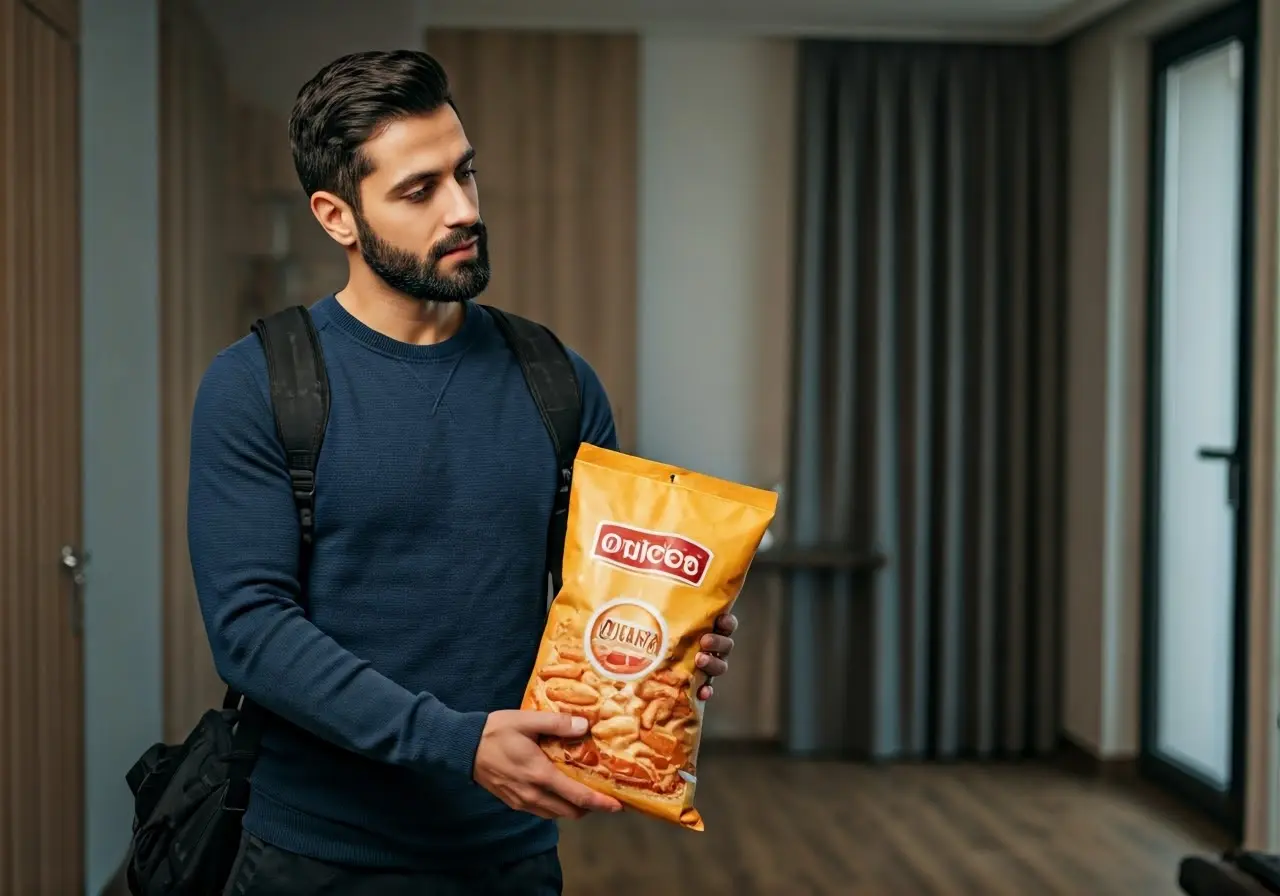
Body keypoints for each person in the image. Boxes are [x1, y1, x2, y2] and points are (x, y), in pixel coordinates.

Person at [189, 49, 740, 896]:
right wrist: (456, 742)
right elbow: (251, 632)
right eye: (420, 190)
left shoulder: (559, 380)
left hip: (507, 856)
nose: (464, 210)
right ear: (338, 216)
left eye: (466, 173)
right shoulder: (259, 384)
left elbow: (595, 601)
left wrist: (665, 642)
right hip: (312, 859)